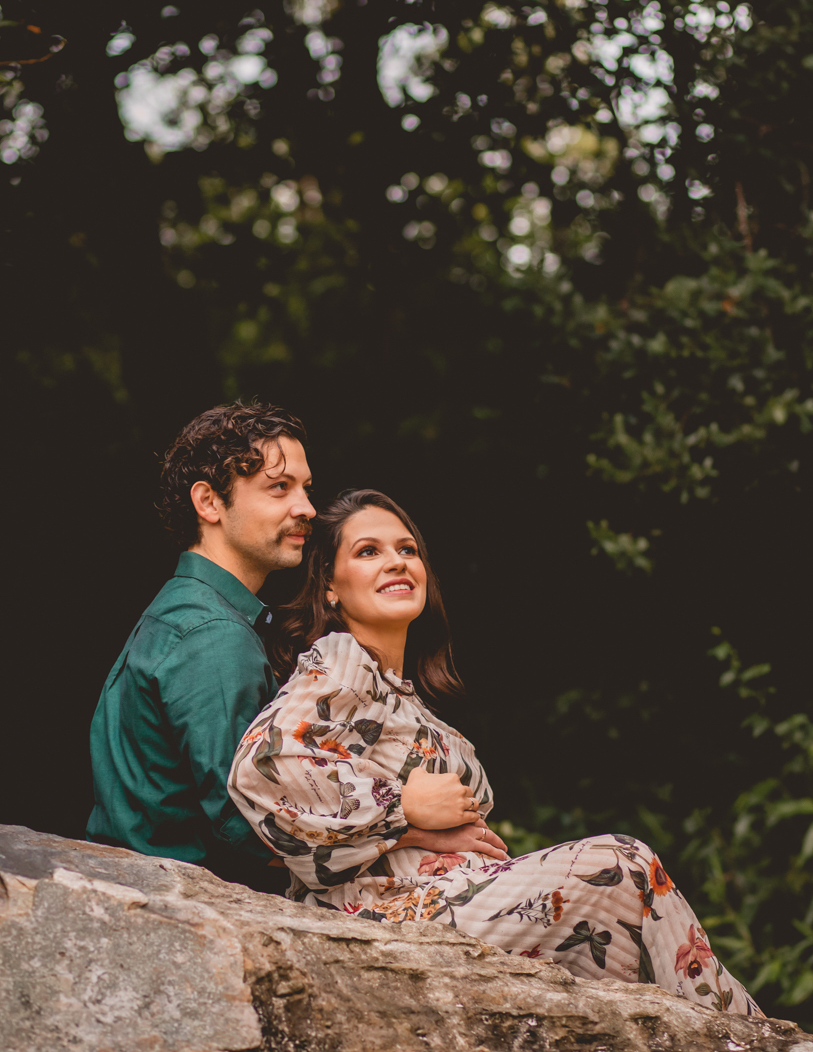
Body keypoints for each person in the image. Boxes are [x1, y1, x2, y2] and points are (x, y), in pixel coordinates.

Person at [228, 489, 763, 1015]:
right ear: (329, 586)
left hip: (457, 905)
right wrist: (404, 809)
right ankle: (753, 1041)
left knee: (614, 943)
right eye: (369, 551)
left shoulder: (406, 697)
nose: (396, 561)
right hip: (386, 916)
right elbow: (265, 764)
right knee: (622, 864)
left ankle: (715, 1044)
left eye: (407, 549)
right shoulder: (342, 660)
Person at [87, 400, 314, 891]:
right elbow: (246, 822)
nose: (306, 508)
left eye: (305, 488)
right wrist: (398, 834)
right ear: (209, 502)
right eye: (279, 487)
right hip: (179, 908)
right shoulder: (212, 635)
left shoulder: (185, 613)